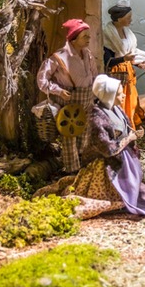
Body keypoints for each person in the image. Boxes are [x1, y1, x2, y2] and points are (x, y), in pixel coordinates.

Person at [75, 74, 145, 215]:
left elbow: (127, 129)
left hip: (123, 156)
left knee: (134, 181)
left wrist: (133, 136)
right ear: (109, 95)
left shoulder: (117, 109)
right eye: (119, 94)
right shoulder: (96, 117)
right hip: (105, 163)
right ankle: (120, 195)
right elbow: (106, 148)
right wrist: (128, 139)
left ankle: (130, 189)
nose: (123, 96)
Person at [37, 19, 97, 173]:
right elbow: (42, 80)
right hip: (69, 107)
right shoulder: (59, 58)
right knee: (69, 137)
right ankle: (71, 172)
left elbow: (94, 76)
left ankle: (83, 169)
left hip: (86, 103)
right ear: (74, 38)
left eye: (88, 36)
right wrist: (58, 91)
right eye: (85, 36)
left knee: (84, 136)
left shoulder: (88, 55)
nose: (89, 39)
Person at [103, 0, 145, 128]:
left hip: (128, 74)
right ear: (119, 19)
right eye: (128, 17)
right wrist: (124, 59)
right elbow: (107, 61)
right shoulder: (108, 35)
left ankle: (131, 127)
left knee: (132, 101)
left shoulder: (128, 34)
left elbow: (128, 54)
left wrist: (136, 62)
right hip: (115, 75)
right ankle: (121, 128)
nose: (131, 20)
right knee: (119, 102)